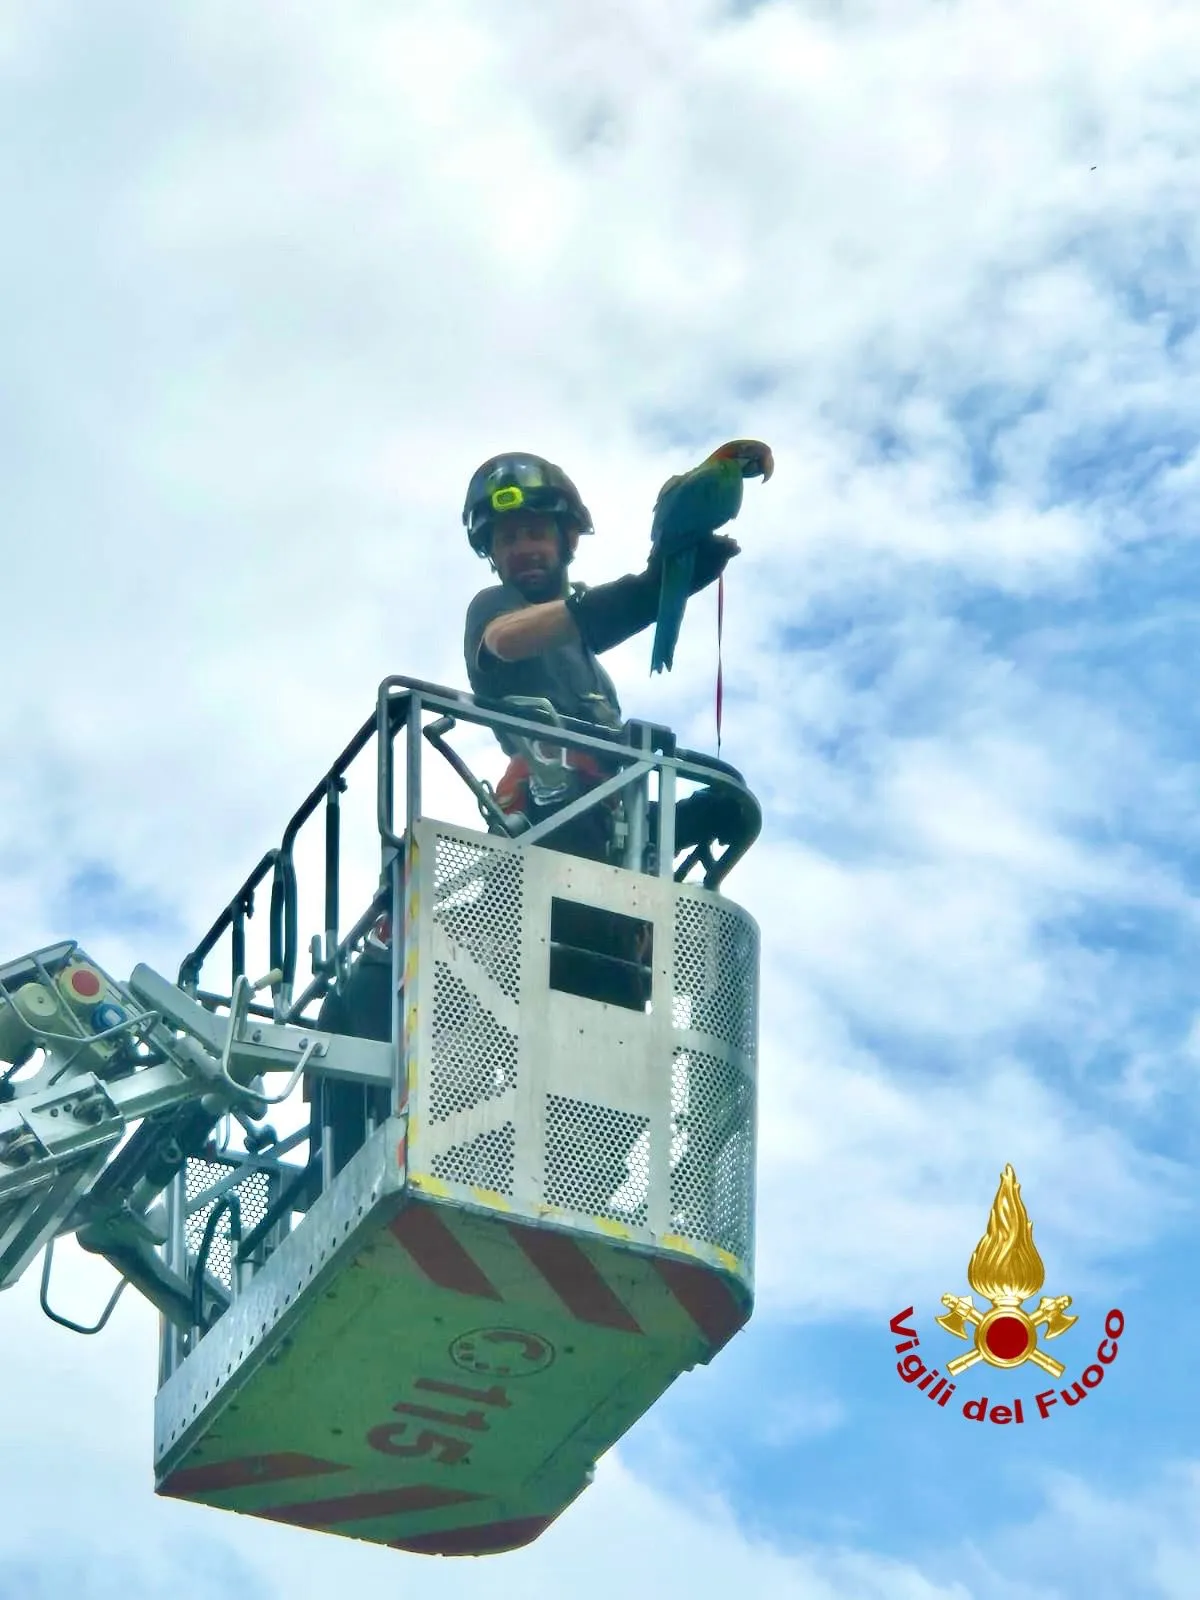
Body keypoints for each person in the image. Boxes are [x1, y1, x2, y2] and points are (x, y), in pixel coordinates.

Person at [462, 452, 738, 864]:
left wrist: (690, 818)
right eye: (507, 539)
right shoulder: (494, 607)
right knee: (579, 822)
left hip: (607, 816)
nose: (522, 548)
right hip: (545, 816)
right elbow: (506, 639)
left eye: (534, 533)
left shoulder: (588, 666)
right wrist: (645, 592)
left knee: (726, 801)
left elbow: (606, 784)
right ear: (492, 554)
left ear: (567, 540)